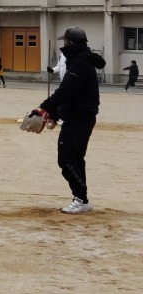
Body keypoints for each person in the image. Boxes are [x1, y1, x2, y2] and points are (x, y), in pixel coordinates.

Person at [26, 26, 105, 214]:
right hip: (78, 116)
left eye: (65, 42)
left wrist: (43, 107)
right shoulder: (78, 60)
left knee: (66, 159)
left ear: (69, 43)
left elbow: (67, 90)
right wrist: (54, 114)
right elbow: (70, 94)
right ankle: (81, 197)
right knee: (76, 159)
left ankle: (81, 198)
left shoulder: (80, 63)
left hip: (80, 118)